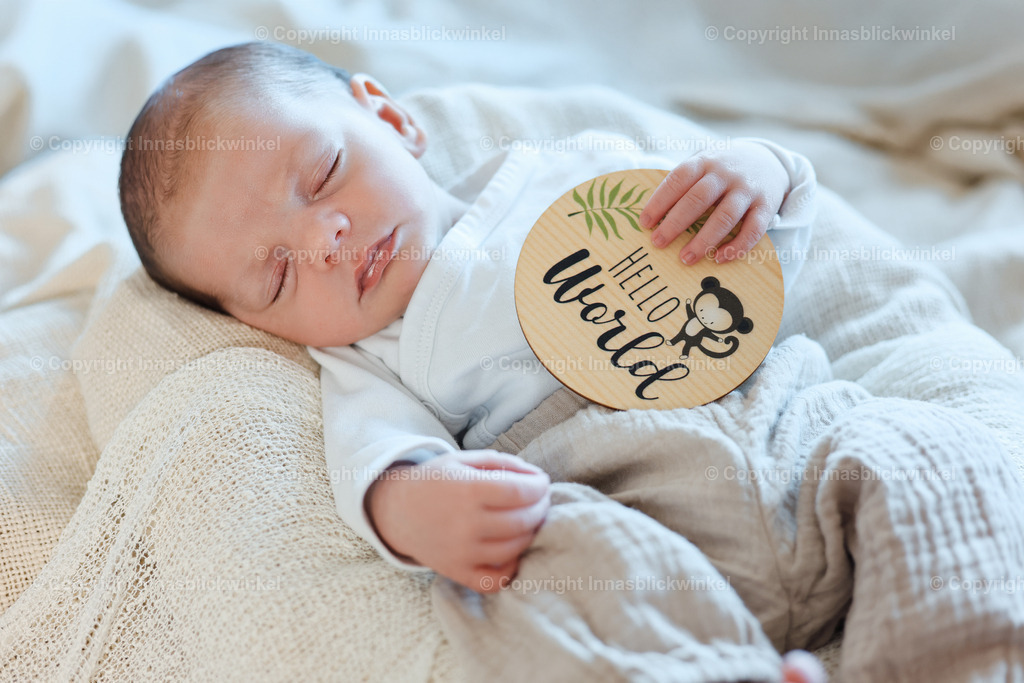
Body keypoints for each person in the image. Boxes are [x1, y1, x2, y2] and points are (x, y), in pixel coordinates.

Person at [120, 41, 832, 682]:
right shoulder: (367, 361)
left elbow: (744, 254)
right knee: (548, 591)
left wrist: (758, 173)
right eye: (278, 276)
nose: (322, 241)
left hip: (786, 423)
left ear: (391, 120)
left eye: (324, 173)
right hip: (639, 509)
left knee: (895, 462)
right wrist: (413, 506)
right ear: (257, 324)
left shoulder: (566, 179)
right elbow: (377, 461)